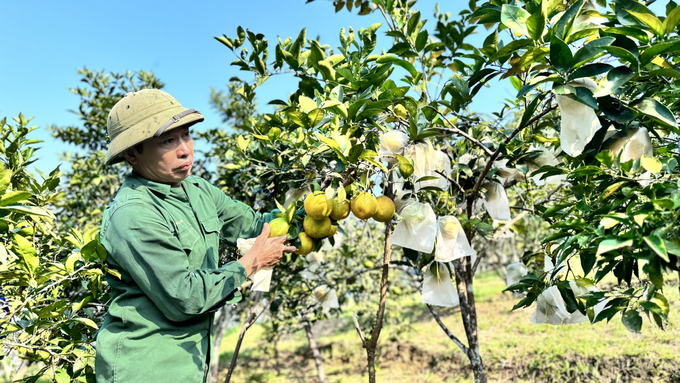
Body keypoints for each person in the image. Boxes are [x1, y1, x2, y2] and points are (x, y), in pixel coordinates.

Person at [95, 89, 296, 383]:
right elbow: (185, 297)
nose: (185, 149)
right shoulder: (133, 214)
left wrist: (321, 204)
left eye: (186, 135)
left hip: (191, 364)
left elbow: (257, 226)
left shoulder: (197, 189)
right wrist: (252, 263)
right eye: (168, 141)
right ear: (132, 153)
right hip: (145, 368)